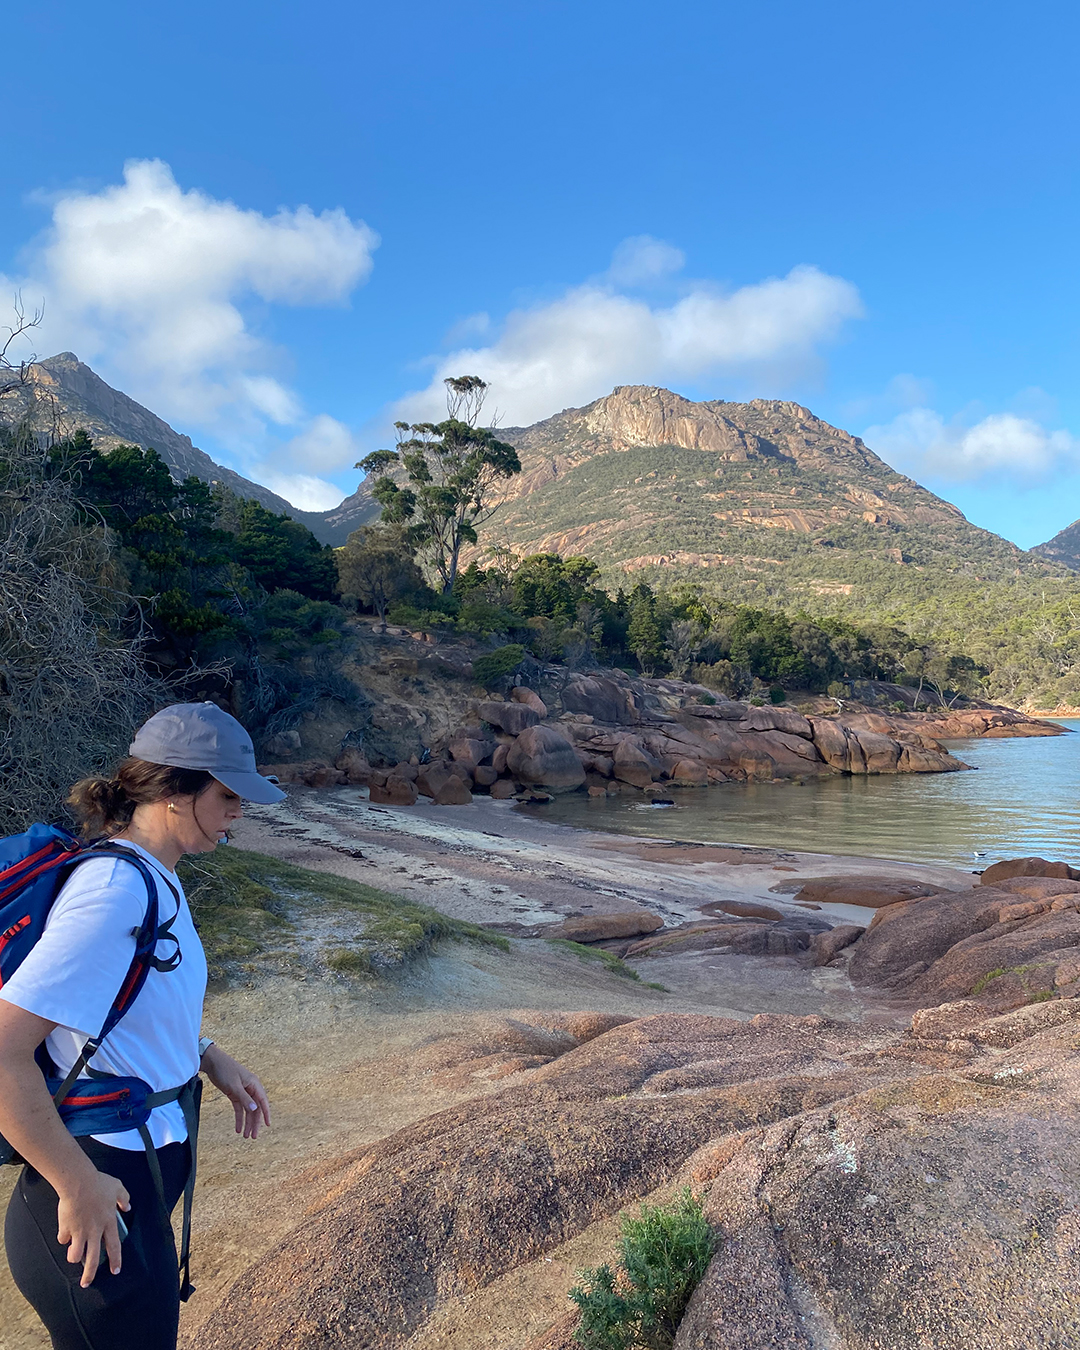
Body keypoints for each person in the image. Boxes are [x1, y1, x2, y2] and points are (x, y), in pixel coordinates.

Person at [0, 702, 286, 1350]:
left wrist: (207, 1055)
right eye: (229, 792)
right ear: (176, 793)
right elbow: (3, 1053)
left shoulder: (156, 881)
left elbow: (127, 1006)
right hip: (89, 1198)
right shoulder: (114, 894)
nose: (241, 808)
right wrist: (76, 1185)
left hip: (133, 1186)